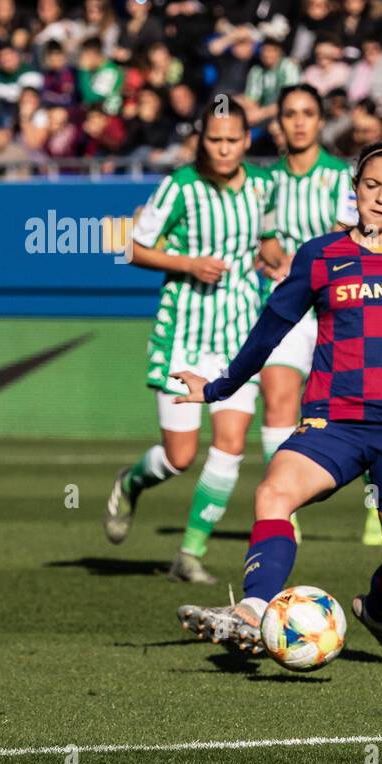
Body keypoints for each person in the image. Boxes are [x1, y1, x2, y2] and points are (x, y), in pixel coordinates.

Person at [172, 142, 382, 665]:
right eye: (371, 185)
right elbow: (270, 329)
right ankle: (253, 611)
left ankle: (374, 611)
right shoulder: (321, 257)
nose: (380, 197)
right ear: (355, 189)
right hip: (335, 420)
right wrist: (218, 387)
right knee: (273, 493)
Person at [103, 100, 277, 584]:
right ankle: (131, 482)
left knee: (231, 442)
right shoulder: (181, 186)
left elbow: (267, 240)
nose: (223, 149)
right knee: (179, 457)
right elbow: (131, 246)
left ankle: (189, 553)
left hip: (239, 334)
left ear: (246, 141)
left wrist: (276, 255)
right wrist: (188, 264)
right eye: (214, 140)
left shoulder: (264, 186)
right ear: (202, 139)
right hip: (183, 332)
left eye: (232, 140)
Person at [258, 83, 382, 546]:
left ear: (318, 120)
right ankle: (284, 510)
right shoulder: (266, 181)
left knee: (363, 410)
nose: (298, 121)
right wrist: (277, 257)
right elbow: (265, 241)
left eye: (307, 113)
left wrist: (299, 262)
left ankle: (375, 509)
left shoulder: (343, 176)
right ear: (279, 122)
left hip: (341, 306)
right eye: (289, 113)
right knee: (279, 402)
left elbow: (345, 237)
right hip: (289, 305)